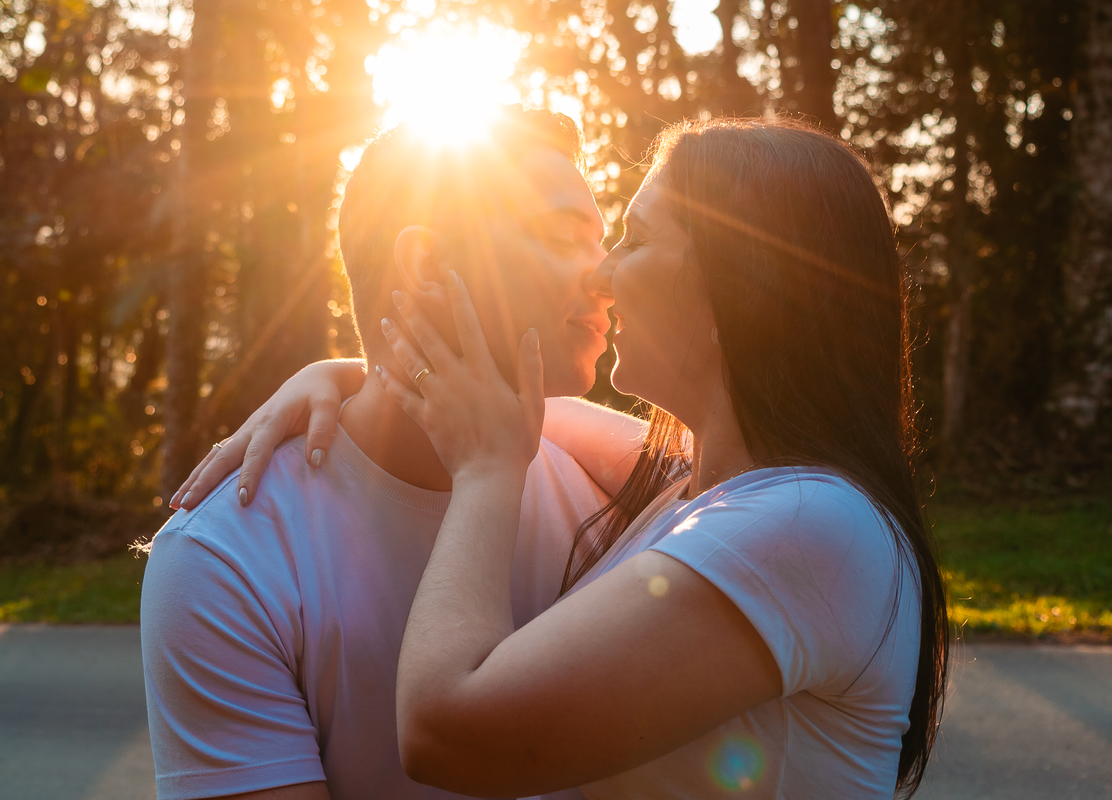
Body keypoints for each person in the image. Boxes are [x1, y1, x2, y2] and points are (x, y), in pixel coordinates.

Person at [188, 118, 949, 799]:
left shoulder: (806, 525)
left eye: (635, 240)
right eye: (577, 240)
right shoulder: (698, 483)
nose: (604, 275)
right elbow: (508, 408)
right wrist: (345, 376)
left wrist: (488, 475)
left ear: (741, 287)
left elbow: (444, 730)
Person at [140, 107, 643, 800]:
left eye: (605, 242)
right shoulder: (226, 558)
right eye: (565, 237)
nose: (606, 277)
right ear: (428, 262)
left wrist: (356, 371)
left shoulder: (627, 489)